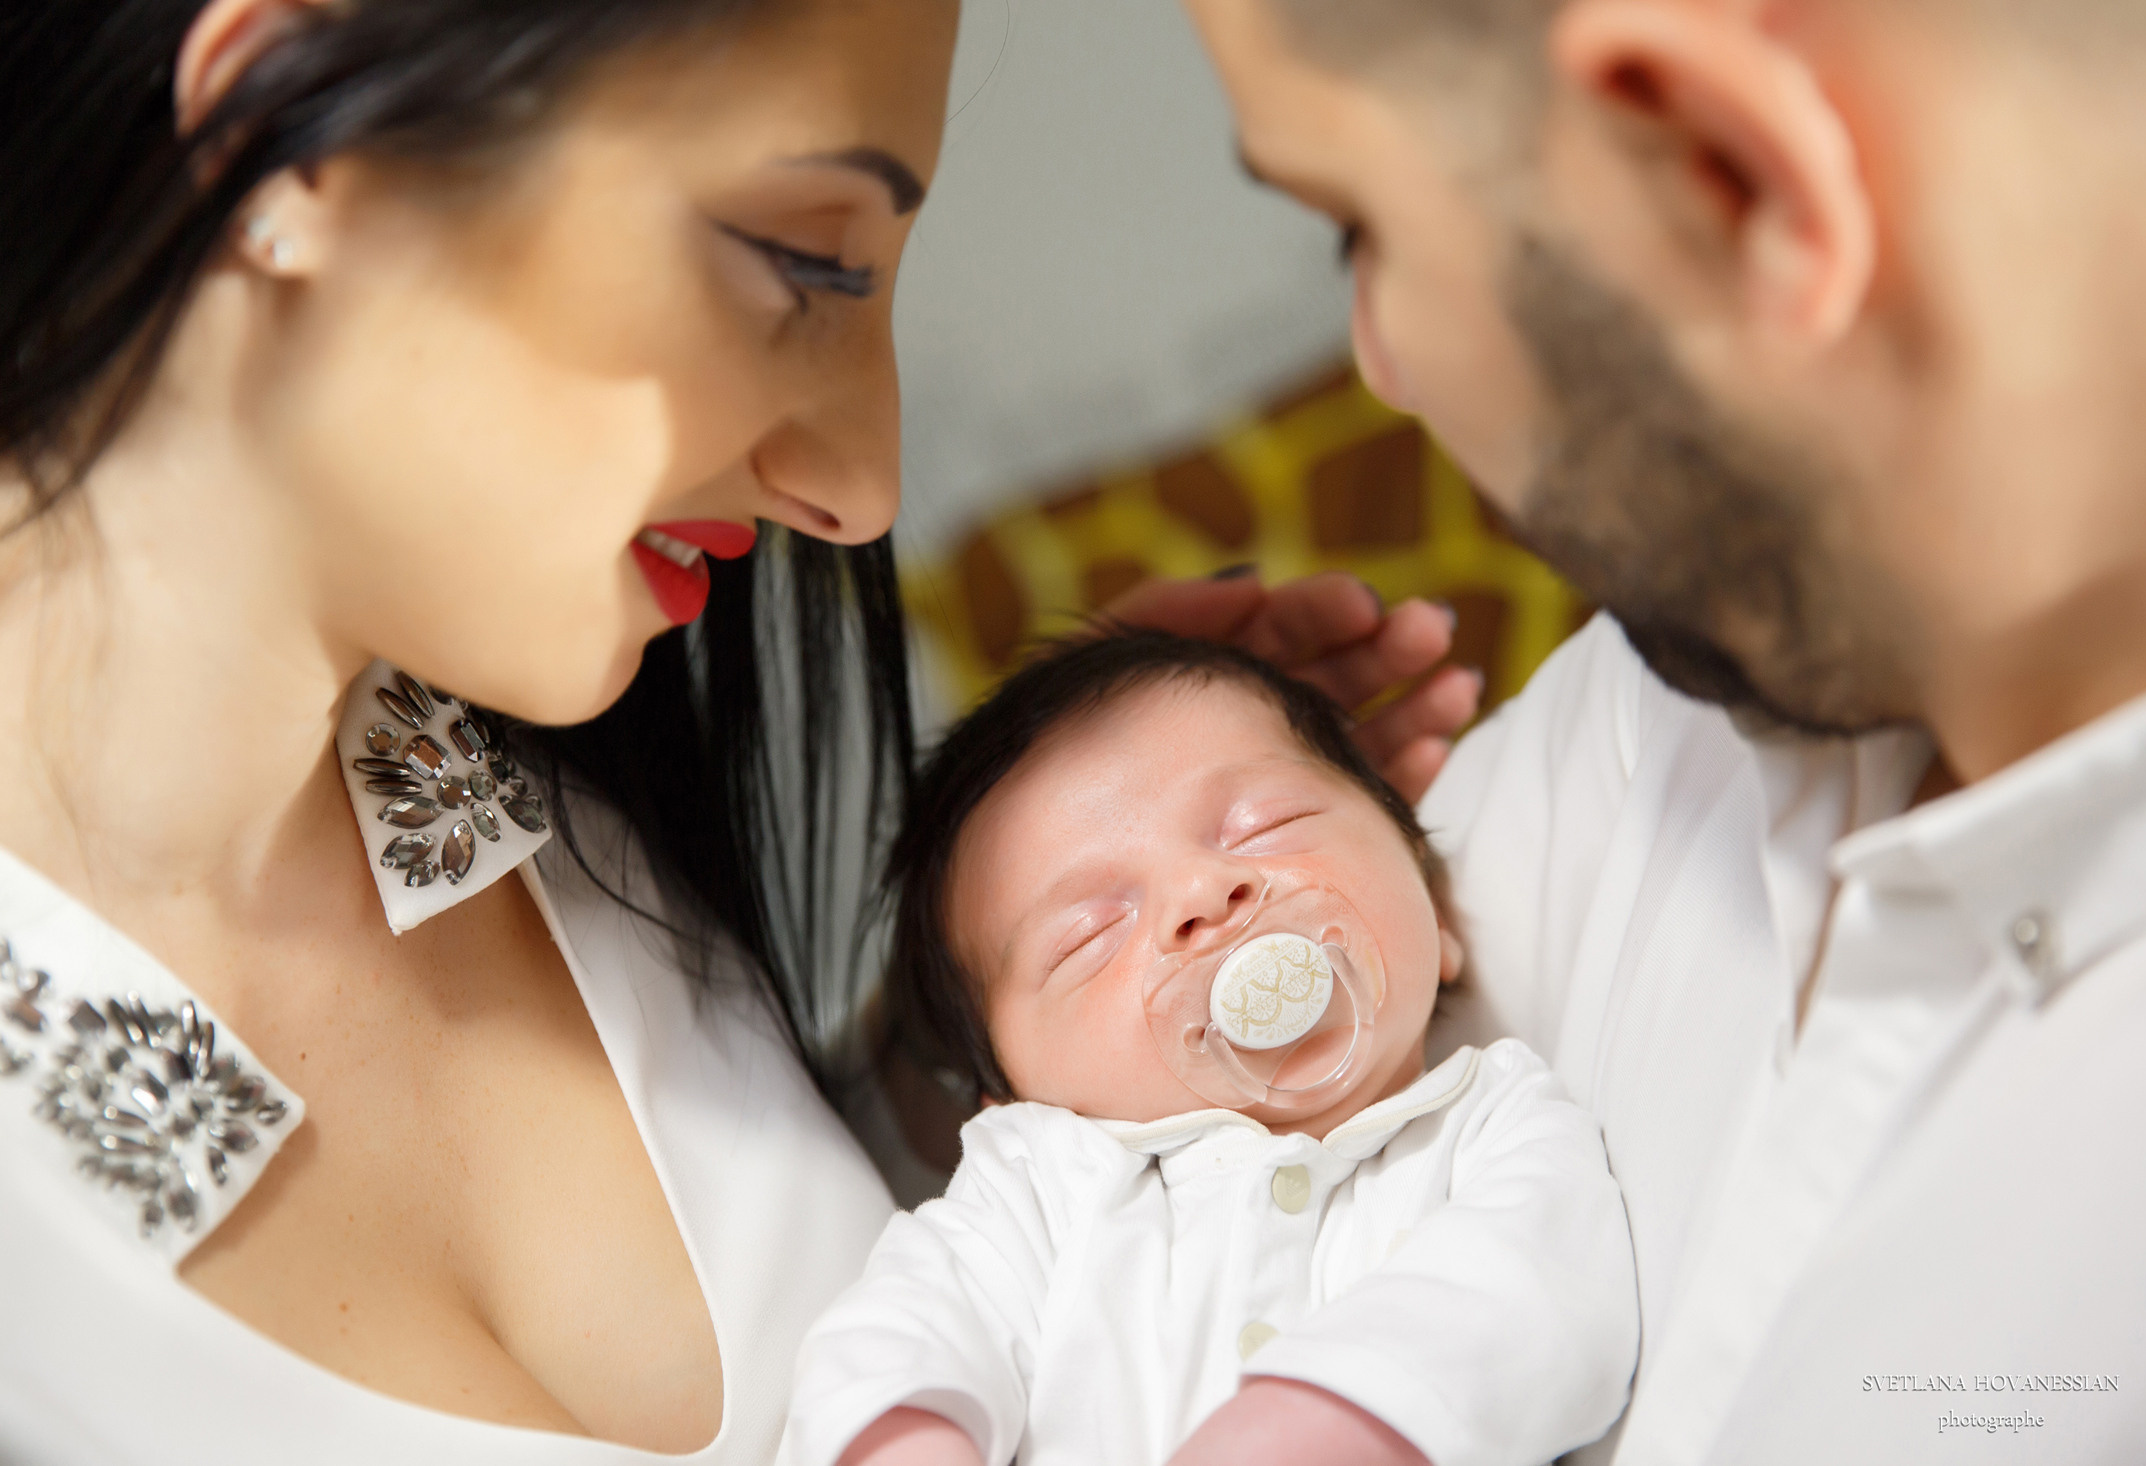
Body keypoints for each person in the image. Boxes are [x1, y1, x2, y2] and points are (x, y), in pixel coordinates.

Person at [0, 2, 1468, 1462]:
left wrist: (1036, 985)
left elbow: (850, 1324)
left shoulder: (470, 776)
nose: (862, 488)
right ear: (279, 117)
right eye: (804, 262)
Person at [1148, 0, 2146, 1460]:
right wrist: (1063, 840)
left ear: (1728, 175)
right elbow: (1104, 1212)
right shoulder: (1652, 731)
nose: (1379, 368)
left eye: (1356, 227)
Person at [784, 631, 1636, 1466]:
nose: (1203, 891)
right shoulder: (1036, 1196)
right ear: (1011, 1104)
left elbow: (1541, 1301)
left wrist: (1301, 1431)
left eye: (1265, 823)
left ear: (1438, 916)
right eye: (1091, 935)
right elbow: (899, 1337)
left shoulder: (1499, 1128)